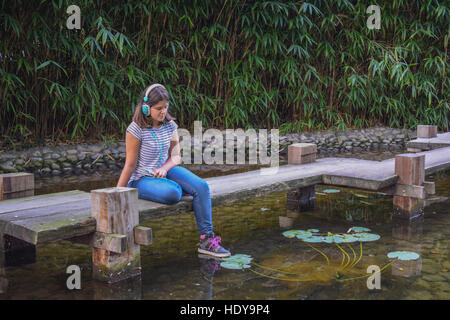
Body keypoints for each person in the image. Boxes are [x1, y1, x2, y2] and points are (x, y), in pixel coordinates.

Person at [116, 83, 231, 258]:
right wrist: (117, 192)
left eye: (165, 107)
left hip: (165, 171)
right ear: (146, 108)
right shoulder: (136, 129)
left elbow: (176, 157)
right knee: (173, 193)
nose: (163, 112)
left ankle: (207, 241)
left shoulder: (170, 125)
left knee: (201, 187)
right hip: (141, 178)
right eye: (158, 108)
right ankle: (173, 188)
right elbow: (130, 165)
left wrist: (164, 168)